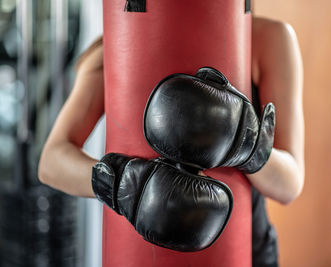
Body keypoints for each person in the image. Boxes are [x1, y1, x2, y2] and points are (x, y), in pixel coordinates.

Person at [38, 15, 304, 267]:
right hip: (141, 249)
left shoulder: (269, 38)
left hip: (247, 248)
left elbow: (289, 186)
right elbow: (51, 162)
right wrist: (122, 184)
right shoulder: (122, 41)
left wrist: (248, 148)